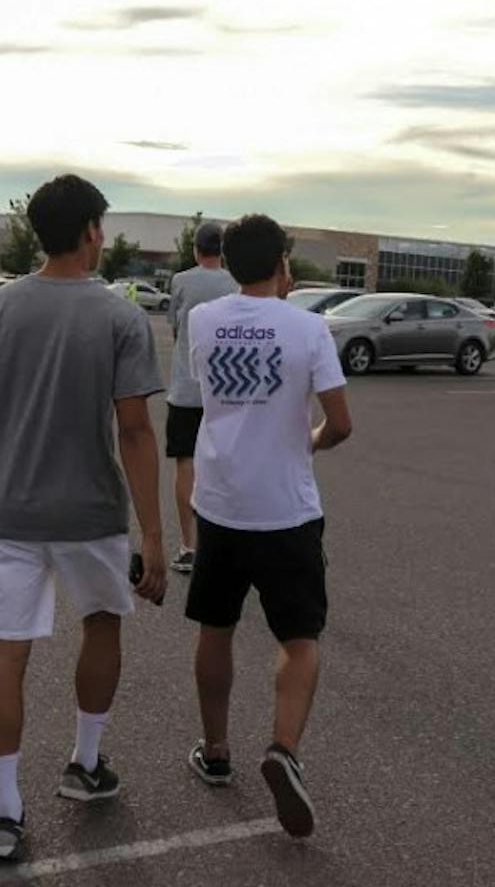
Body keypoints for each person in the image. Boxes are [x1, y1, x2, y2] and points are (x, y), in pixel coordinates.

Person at [0, 174, 167, 863]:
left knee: (5, 651)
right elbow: (134, 430)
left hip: (7, 512)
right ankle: (85, 762)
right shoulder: (120, 317)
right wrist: (154, 533)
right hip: (91, 513)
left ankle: (5, 810)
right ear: (91, 232)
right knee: (101, 623)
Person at [183, 214, 352, 839]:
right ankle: (283, 748)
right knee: (300, 638)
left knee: (216, 627)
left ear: (228, 262)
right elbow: (340, 423)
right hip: (286, 509)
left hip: (220, 504)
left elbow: (211, 391)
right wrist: (311, 439)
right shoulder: (309, 328)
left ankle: (216, 750)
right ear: (283, 263)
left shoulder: (203, 319)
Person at [164, 221, 238, 573]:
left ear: (196, 249)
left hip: (185, 389)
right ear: (222, 251)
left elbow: (176, 328)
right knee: (225, 467)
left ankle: (188, 546)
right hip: (225, 391)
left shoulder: (181, 281)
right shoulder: (235, 284)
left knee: (185, 464)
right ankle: (226, 547)